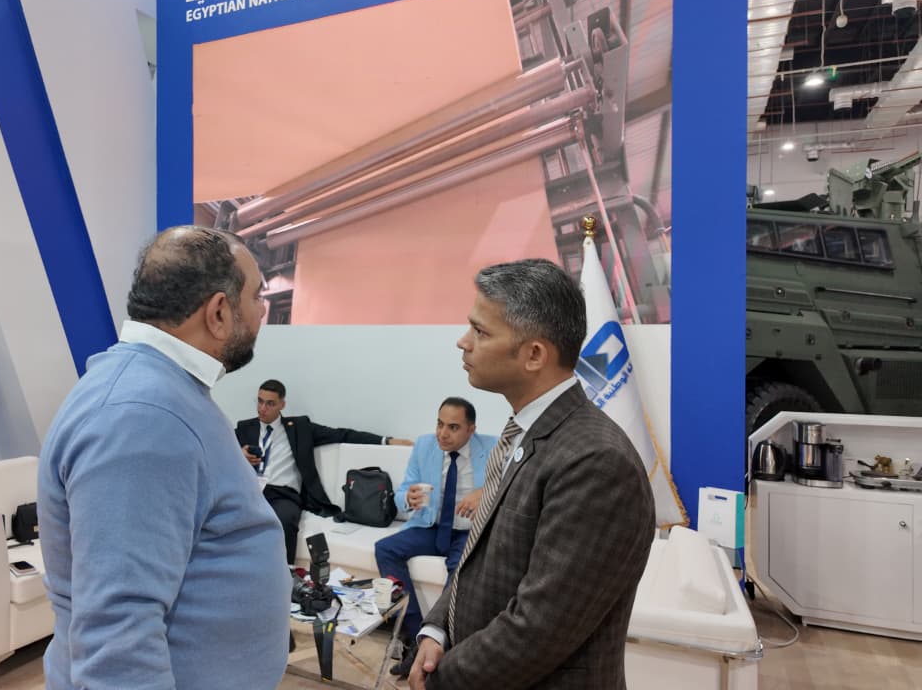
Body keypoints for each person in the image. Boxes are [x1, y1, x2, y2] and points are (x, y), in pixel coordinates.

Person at [38, 226, 291, 690]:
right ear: (218, 311)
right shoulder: (144, 416)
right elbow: (118, 637)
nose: (262, 311)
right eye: (257, 296)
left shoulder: (163, 393)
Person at [411, 259, 655, 690]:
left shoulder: (596, 462)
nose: (463, 342)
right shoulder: (525, 433)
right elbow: (479, 558)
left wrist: (441, 680)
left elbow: (539, 629)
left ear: (535, 355)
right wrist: (437, 629)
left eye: (480, 331)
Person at [374, 397, 497, 678]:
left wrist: (484, 493)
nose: (443, 433)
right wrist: (408, 498)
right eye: (440, 424)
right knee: (385, 549)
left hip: (468, 530)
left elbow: (511, 486)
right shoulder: (424, 445)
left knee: (460, 569)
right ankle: (415, 637)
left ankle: (440, 641)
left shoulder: (493, 447)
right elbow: (403, 491)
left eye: (453, 427)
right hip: (431, 526)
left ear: (471, 430)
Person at [235, 379, 412, 564]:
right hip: (251, 491)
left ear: (282, 404)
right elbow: (218, 448)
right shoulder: (244, 428)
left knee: (285, 521)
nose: (262, 408)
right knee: (228, 517)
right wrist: (238, 453)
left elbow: (342, 434)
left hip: (283, 494)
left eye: (270, 403)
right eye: (260, 401)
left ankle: (285, 573)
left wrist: (386, 440)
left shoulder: (300, 427)